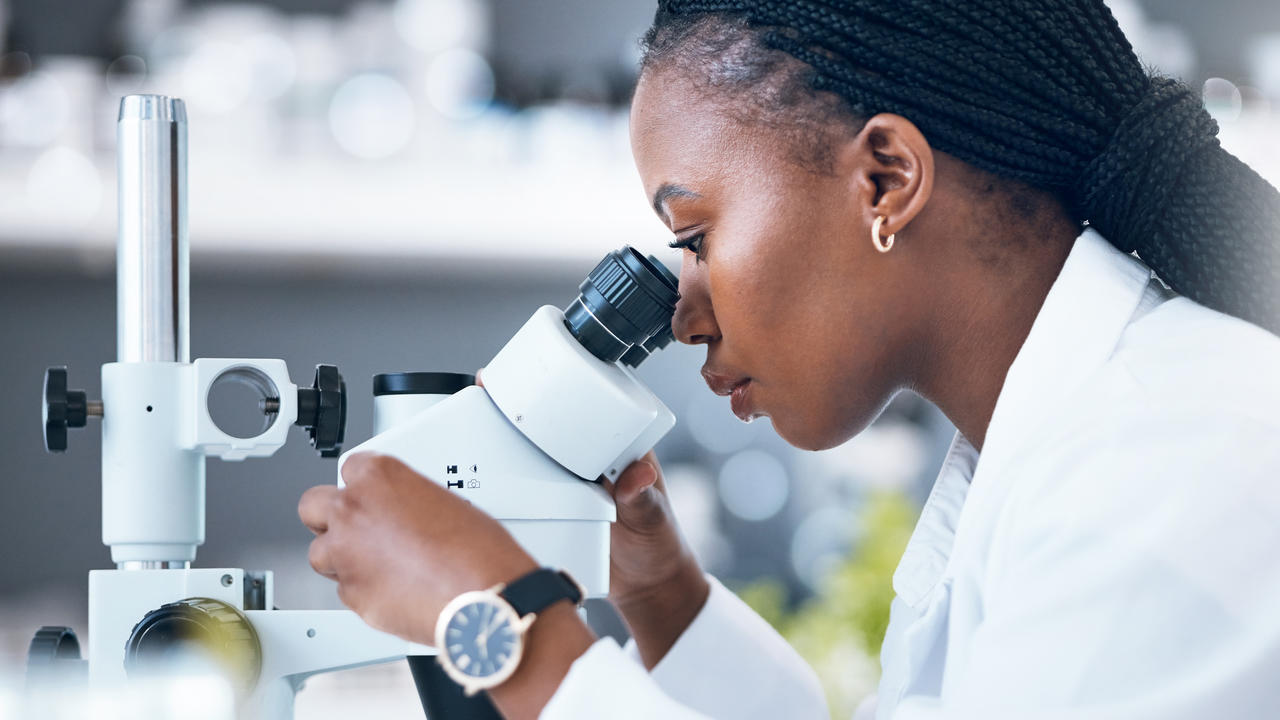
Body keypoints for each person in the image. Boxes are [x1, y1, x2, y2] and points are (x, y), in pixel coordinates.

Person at [297, 1, 1280, 718]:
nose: (680, 316)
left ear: (884, 179)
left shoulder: (1169, 462)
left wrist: (503, 630)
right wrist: (656, 589)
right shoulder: (1067, 443)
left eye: (692, 234)